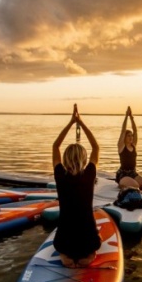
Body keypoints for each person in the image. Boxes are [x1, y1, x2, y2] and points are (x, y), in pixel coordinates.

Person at [52, 104, 102, 268]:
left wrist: (71, 122)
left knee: (63, 242)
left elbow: (55, 146)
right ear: (84, 159)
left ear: (65, 159)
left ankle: (65, 256)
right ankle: (88, 257)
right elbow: (96, 146)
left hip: (64, 241)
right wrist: (80, 121)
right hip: (88, 241)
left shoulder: (60, 175)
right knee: (96, 240)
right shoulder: (89, 175)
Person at [116, 106, 142, 190]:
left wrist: (131, 117)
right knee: (135, 186)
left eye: (131, 136)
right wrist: (126, 116)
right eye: (128, 136)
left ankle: (128, 184)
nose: (131, 137)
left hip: (133, 173)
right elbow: (123, 130)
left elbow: (135, 130)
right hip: (123, 174)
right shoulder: (121, 146)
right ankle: (122, 183)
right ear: (124, 138)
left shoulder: (133, 145)